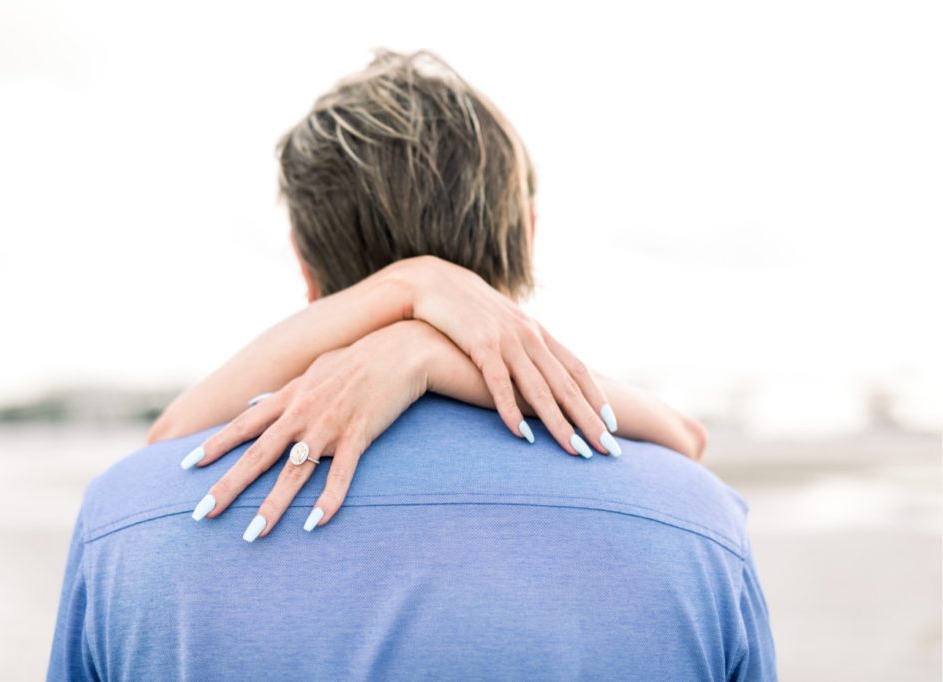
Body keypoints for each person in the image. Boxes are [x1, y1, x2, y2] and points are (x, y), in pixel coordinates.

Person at [49, 51, 775, 679]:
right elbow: (686, 438)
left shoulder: (125, 521)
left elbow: (169, 435)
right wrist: (421, 315)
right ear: (526, 235)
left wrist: (413, 323)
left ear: (304, 263)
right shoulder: (698, 522)